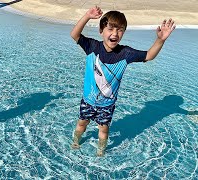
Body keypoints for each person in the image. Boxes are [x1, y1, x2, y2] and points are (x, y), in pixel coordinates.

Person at [70, 6, 175, 156]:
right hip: (88, 100)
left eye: (120, 30)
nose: (115, 33)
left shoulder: (125, 53)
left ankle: (100, 151)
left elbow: (149, 55)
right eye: (111, 29)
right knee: (81, 123)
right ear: (101, 31)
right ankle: (75, 142)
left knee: (104, 129)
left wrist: (160, 40)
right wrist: (87, 16)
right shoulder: (92, 46)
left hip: (106, 104)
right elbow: (74, 34)